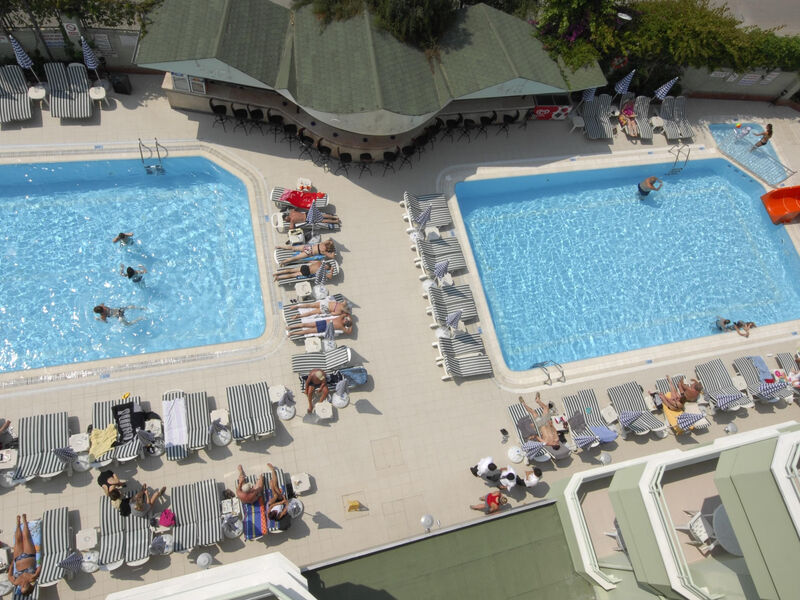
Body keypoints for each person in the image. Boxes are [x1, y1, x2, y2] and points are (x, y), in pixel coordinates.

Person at [8, 515, 40, 596]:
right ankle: (25, 521)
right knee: (26, 538)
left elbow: (9, 576)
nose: (22, 585)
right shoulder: (31, 578)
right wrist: (38, 564)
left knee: (17, 541)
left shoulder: (16, 582)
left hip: (18, 558)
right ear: (29, 586)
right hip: (29, 556)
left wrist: (12, 565)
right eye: (24, 586)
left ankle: (18, 523)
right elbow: (40, 567)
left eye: (21, 587)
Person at [287, 314, 353, 337]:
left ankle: (291, 332)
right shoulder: (342, 326)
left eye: (346, 319)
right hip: (323, 324)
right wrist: (350, 325)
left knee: (307, 330)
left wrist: (350, 320)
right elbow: (349, 331)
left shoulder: (340, 320)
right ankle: (291, 330)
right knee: (305, 327)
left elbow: (347, 314)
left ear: (346, 322)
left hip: (324, 326)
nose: (346, 318)